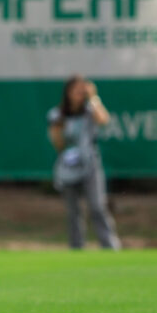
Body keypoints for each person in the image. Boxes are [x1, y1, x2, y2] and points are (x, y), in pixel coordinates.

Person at [47, 74, 121, 250]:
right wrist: (58, 131)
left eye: (83, 90)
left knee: (97, 206)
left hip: (90, 165)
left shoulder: (90, 110)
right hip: (68, 167)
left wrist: (93, 97)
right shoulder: (57, 114)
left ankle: (110, 246)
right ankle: (77, 247)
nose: (80, 94)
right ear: (68, 93)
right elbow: (57, 143)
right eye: (76, 90)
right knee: (74, 211)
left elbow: (103, 119)